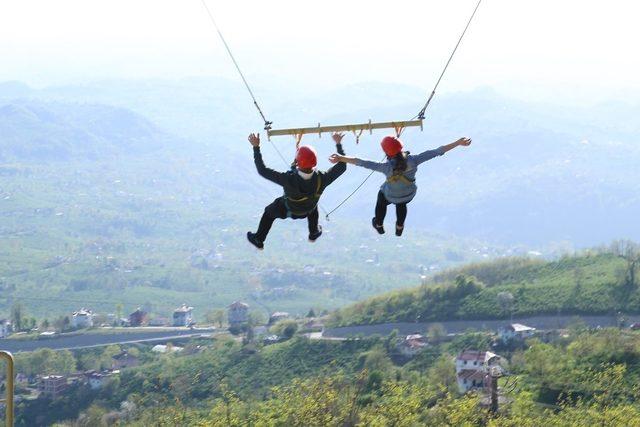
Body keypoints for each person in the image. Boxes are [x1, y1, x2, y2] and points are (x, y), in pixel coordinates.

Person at [329, 135, 471, 236]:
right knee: (401, 203)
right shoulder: (414, 160)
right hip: (408, 194)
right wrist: (458, 142)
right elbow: (437, 151)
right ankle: (399, 226)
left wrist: (341, 158)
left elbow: (361, 162)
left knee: (381, 198)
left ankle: (379, 224)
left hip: (390, 195)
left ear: (386, 152)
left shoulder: (386, 168)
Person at [247, 132, 347, 249]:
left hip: (288, 209)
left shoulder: (288, 179)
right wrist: (339, 144)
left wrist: (256, 147)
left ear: (298, 162)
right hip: (308, 210)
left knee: (269, 212)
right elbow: (342, 166)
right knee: (313, 202)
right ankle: (313, 232)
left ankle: (259, 239)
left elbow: (262, 170)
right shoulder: (322, 179)